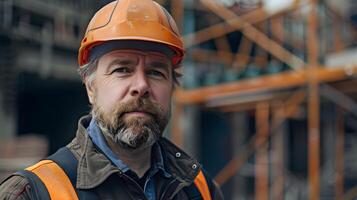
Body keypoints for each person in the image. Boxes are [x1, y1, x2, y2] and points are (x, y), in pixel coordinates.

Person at [0, 0, 224, 199]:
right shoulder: (33, 192)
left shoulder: (200, 188)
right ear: (91, 87)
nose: (141, 86)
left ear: (172, 88)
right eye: (122, 69)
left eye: (156, 72)